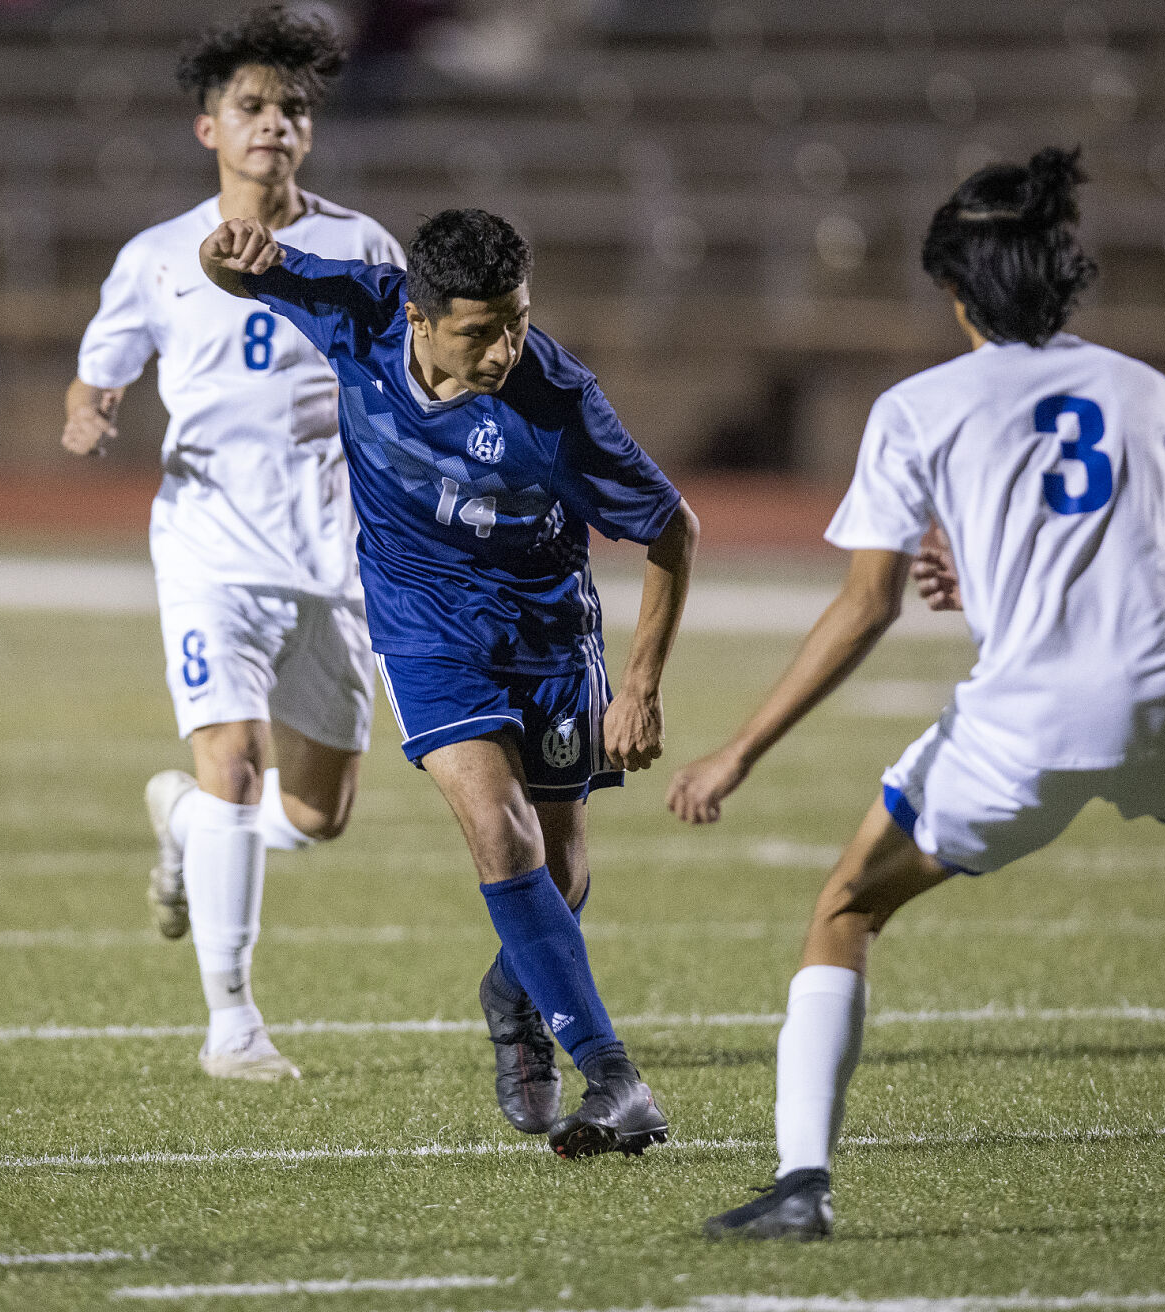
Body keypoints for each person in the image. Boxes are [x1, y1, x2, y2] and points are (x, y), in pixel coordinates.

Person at [667, 147, 1165, 1239]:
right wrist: (989, 581)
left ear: (953, 291)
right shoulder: (1144, 390)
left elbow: (864, 605)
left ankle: (801, 1184)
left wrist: (737, 749)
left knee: (845, 905)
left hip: (1023, 722)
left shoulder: (915, 406)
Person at [197, 205, 698, 1157]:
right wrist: (221, 256)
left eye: (516, 319)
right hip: (424, 628)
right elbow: (239, 273)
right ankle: (614, 1076)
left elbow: (672, 527)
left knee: (558, 869)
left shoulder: (558, 399)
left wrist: (640, 687)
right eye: (481, 329)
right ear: (418, 318)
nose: (507, 346)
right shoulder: (358, 309)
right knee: (497, 828)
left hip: (549, 633)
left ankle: (516, 996)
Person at [62, 6, 405, 1081]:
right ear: (207, 128)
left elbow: (401, 380)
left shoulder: (360, 247)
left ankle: (193, 829)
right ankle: (232, 1024)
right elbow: (102, 362)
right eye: (251, 107)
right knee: (235, 762)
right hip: (209, 543)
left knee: (316, 810)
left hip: (332, 554)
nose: (274, 124)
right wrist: (89, 409)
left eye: (291, 108)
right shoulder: (157, 256)